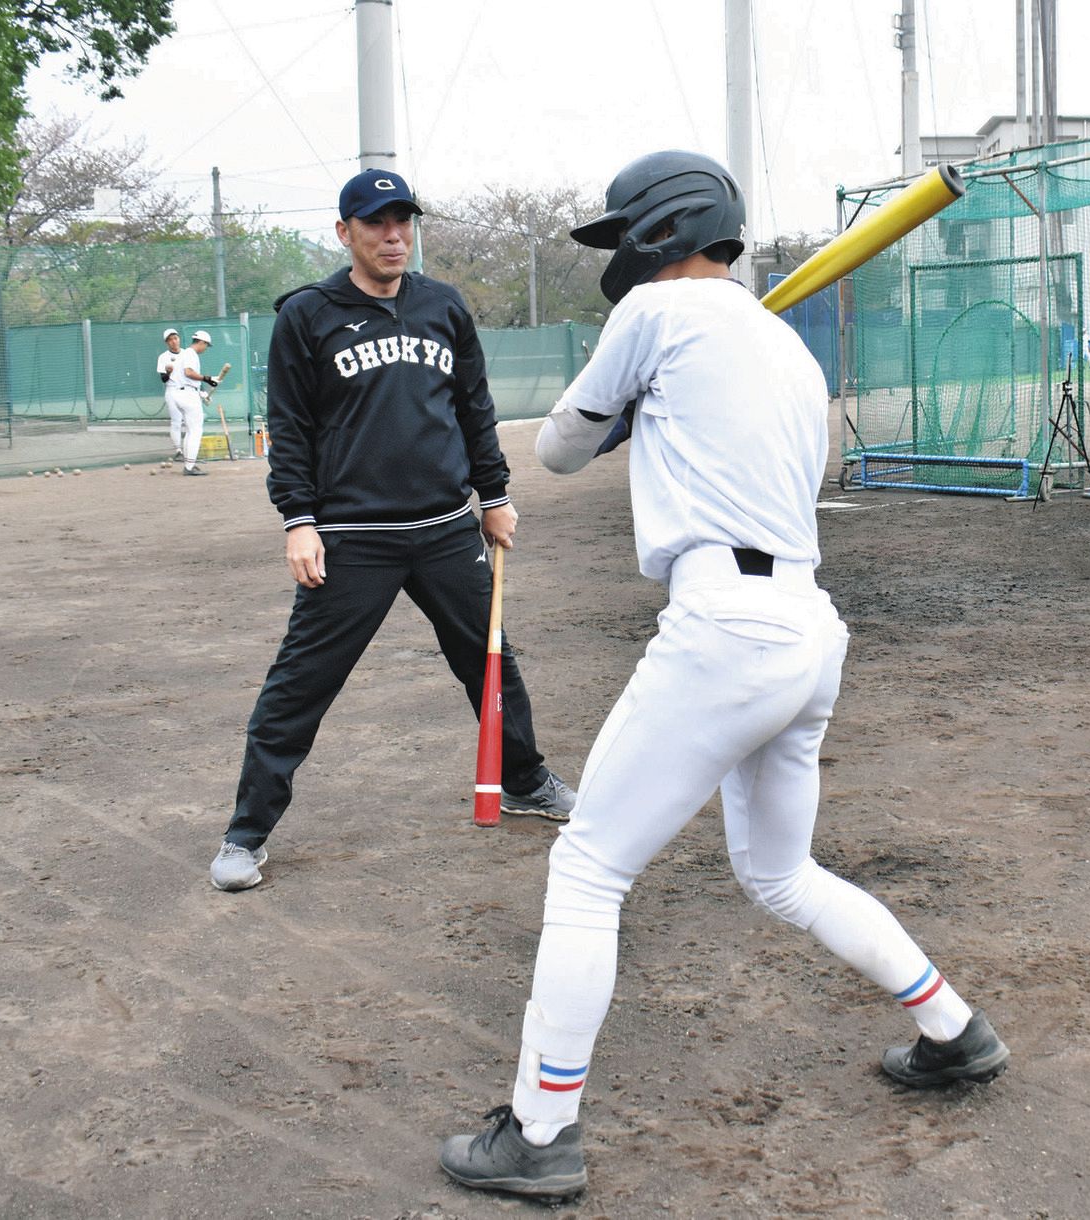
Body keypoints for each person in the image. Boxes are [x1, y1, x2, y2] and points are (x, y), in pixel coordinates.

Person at [439, 151, 1009, 1201]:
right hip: (805, 627)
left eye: (624, 239)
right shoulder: (787, 351)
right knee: (778, 873)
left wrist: (609, 417)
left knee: (588, 868)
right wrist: (641, 414)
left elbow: (556, 452)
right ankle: (950, 1026)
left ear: (665, 230)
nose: (619, 261)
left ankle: (540, 1130)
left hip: (725, 624)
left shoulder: (657, 316)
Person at [209, 168, 576, 893]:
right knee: (300, 684)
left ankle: (524, 780)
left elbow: (473, 405)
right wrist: (298, 521)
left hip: (445, 529)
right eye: (375, 223)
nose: (393, 235)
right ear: (344, 233)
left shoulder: (442, 306)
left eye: (402, 220)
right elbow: (289, 427)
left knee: (491, 660)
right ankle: (245, 833)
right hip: (351, 538)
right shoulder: (308, 315)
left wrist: (493, 495)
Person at [167, 329, 220, 476]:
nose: (206, 348)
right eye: (206, 345)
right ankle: (189, 466)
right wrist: (207, 378)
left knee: (191, 431)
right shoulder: (190, 353)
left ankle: (189, 463)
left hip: (182, 393)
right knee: (196, 431)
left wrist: (203, 393)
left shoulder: (184, 353)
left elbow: (189, 378)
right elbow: (188, 373)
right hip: (186, 395)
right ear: (201, 342)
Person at [157, 328, 185, 459]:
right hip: (172, 390)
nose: (174, 341)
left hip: (187, 391)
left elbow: (192, 374)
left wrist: (201, 391)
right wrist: (168, 372)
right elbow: (163, 379)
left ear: (179, 339)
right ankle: (178, 450)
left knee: (191, 421)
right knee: (176, 422)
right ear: (166, 342)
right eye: (170, 339)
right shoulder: (163, 357)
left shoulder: (187, 354)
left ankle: (191, 449)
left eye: (175, 338)